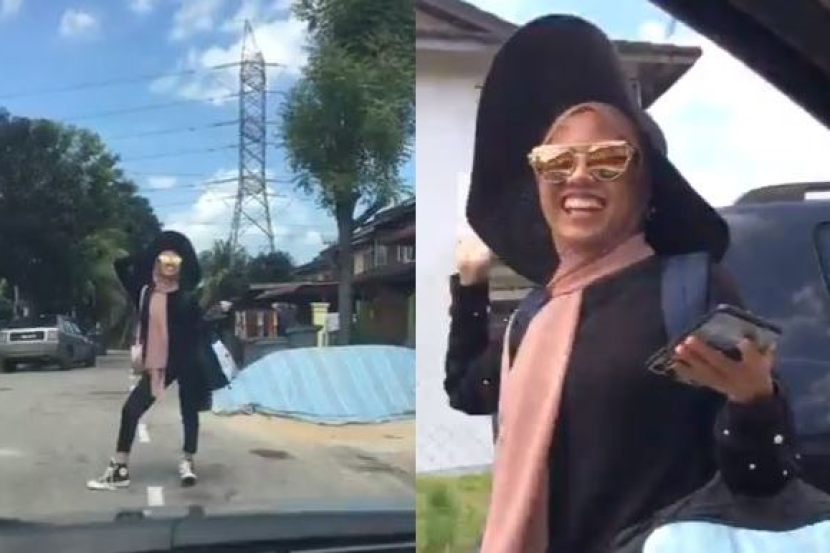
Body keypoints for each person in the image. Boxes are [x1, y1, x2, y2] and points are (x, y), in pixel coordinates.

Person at [445, 16, 798, 553]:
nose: (578, 176)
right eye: (556, 161)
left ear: (644, 182)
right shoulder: (534, 315)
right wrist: (471, 287)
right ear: (538, 182)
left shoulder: (690, 290)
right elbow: (469, 391)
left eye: (609, 159)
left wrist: (755, 402)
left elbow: (764, 481)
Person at [87, 230, 230, 491]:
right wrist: (151, 251)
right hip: (159, 363)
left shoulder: (187, 297)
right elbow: (121, 266)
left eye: (175, 261)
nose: (169, 265)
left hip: (188, 360)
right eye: (164, 260)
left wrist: (213, 320)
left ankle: (187, 460)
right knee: (131, 410)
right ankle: (119, 469)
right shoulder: (144, 293)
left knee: (189, 411)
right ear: (155, 262)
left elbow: (198, 329)